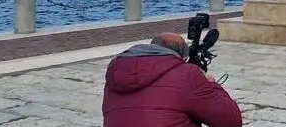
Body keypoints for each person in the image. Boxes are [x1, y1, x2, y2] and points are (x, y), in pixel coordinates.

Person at [102, 33, 242, 127]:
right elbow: (230, 121)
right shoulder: (187, 74)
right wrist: (211, 84)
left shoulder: (115, 72)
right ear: (182, 57)